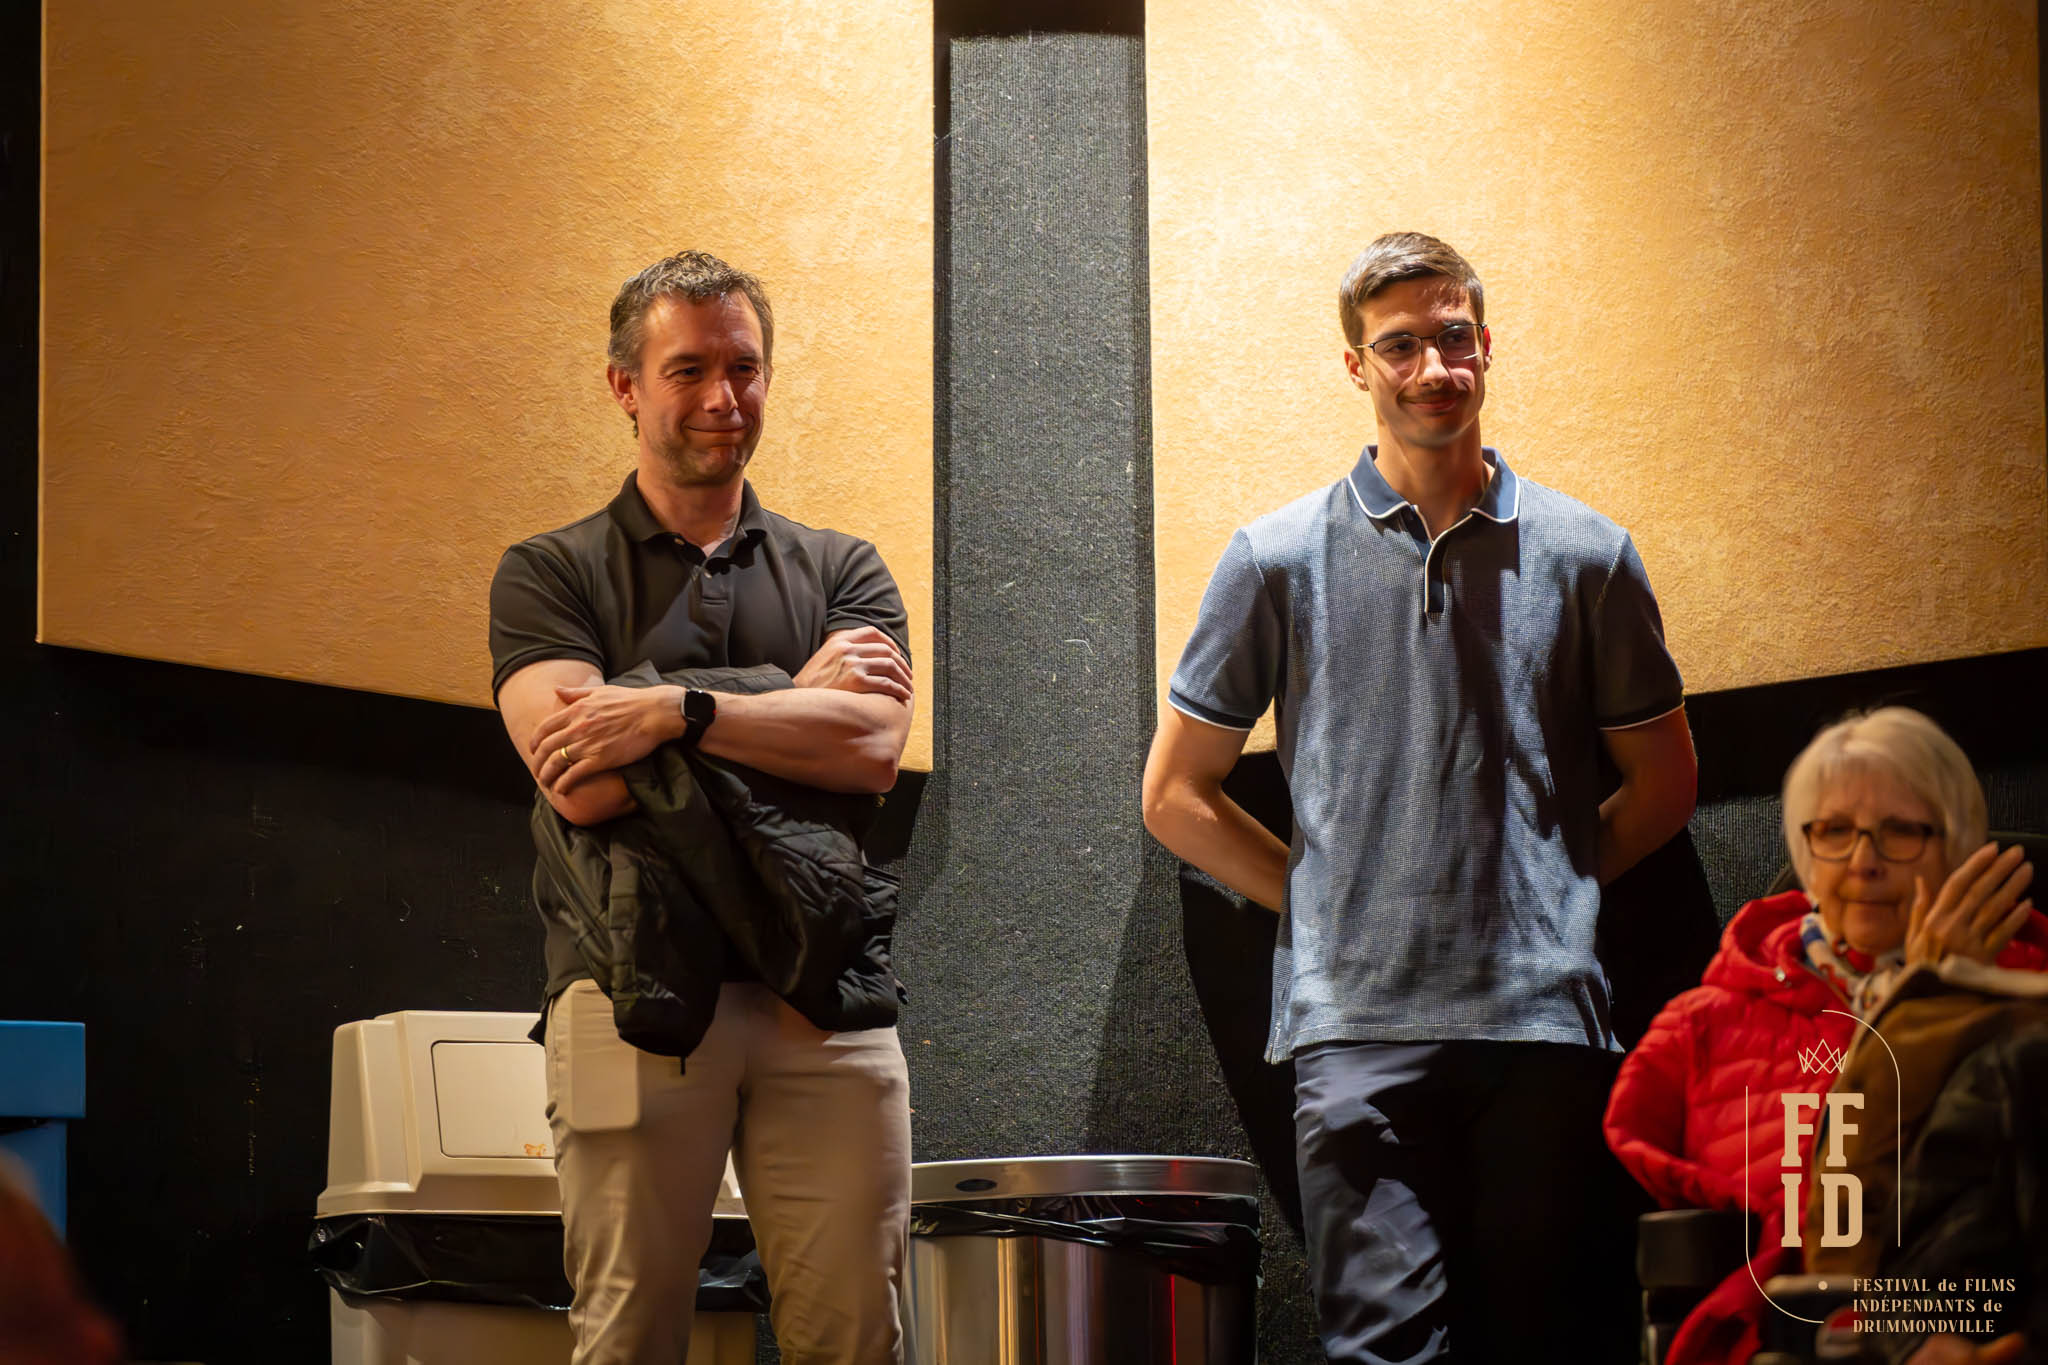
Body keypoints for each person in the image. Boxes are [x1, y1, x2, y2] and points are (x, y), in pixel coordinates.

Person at [1142, 231, 1699, 1364]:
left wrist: (1549, 891)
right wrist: (1325, 902)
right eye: (1399, 345)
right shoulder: (1273, 557)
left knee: (1549, 1346)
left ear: (1485, 345)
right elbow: (1174, 795)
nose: (1432, 367)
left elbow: (1666, 783)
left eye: (1452, 337)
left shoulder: (1590, 554)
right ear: (1356, 366)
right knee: (1383, 1354)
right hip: (1353, 1032)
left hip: (1542, 1024)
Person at [489, 251, 916, 1365]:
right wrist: (787, 707)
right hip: (634, 990)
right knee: (629, 1340)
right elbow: (578, 776)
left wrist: (668, 711)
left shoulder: (844, 569)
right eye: (688, 369)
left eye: (744, 367)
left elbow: (871, 751)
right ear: (625, 386)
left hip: (824, 999)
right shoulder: (548, 573)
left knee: (858, 1343)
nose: (724, 396)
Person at [1604, 706, 2043, 1365]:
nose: (1864, 861)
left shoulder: (2030, 993)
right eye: (1834, 831)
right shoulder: (1702, 1023)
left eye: (1902, 831)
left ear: (1959, 849)